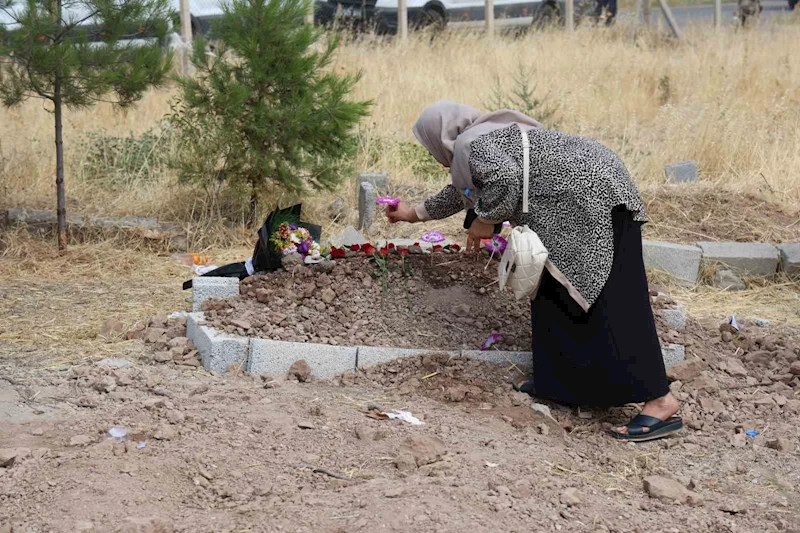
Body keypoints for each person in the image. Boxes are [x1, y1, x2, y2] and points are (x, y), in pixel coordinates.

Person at [386, 100, 682, 442]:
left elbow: (505, 179)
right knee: (555, 289)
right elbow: (467, 189)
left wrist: (484, 220)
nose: (433, 155)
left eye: (429, 147)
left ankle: (660, 401)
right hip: (584, 196)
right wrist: (414, 214)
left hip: (596, 199)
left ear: (441, 136)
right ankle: (562, 383)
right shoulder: (482, 138)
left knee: (614, 299)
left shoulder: (473, 144)